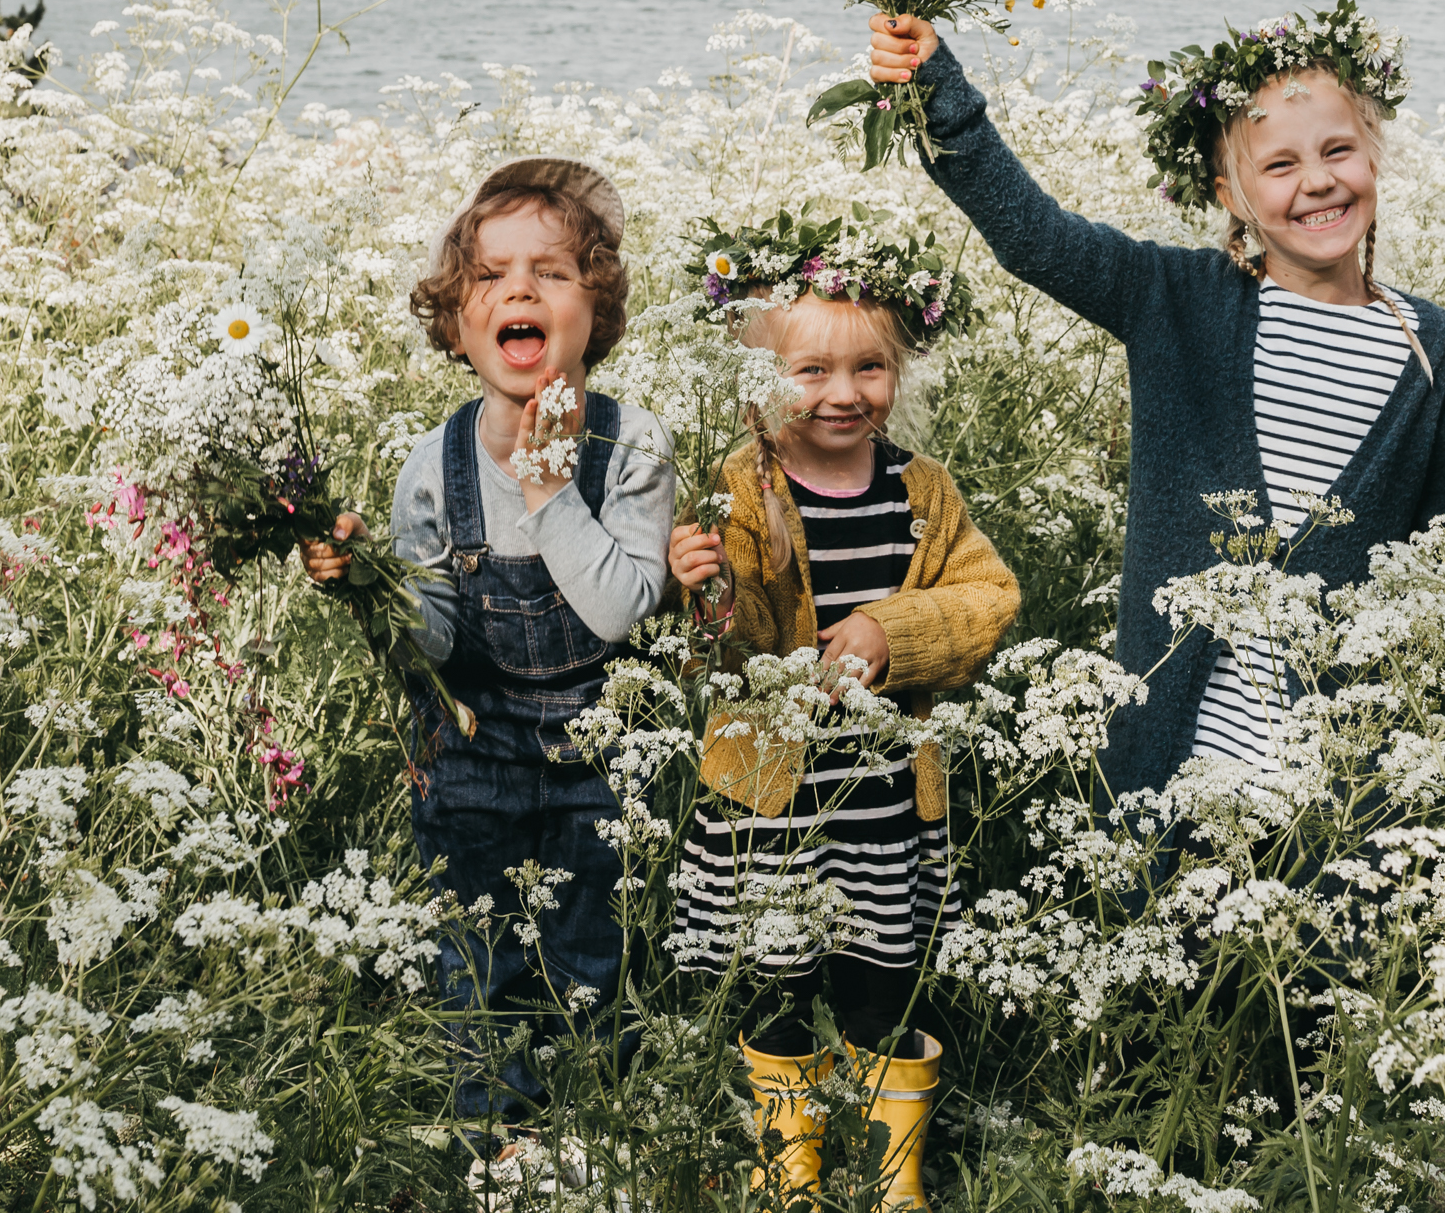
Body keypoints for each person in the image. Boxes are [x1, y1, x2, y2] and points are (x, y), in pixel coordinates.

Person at [864, 0, 1445, 799]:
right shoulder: (1176, 299)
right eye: (1280, 165)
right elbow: (1032, 235)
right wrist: (935, 88)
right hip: (1168, 775)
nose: (1319, 181)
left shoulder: (1429, 349)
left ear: (1374, 158)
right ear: (1230, 194)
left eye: (1340, 149)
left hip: (1342, 794)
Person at [301, 158, 673, 1129]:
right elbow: (435, 636)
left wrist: (552, 491)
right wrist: (368, 590)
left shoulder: (633, 448)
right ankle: (499, 1153)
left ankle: (595, 1142)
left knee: (595, 967)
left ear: (597, 308)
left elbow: (621, 610)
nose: (518, 289)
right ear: (459, 326)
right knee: (479, 968)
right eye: (489, 276)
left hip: (600, 759)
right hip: (473, 757)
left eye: (550, 271)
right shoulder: (435, 465)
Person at [661, 216, 1017, 1208]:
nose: (844, 393)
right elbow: (709, 652)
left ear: (899, 369)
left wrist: (888, 631)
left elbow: (988, 596)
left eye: (870, 367)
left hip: (884, 816)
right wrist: (702, 592)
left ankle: (896, 1180)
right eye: (811, 370)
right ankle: (793, 1177)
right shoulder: (740, 486)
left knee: (883, 994)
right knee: (777, 995)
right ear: (765, 379)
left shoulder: (922, 492)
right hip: (771, 815)